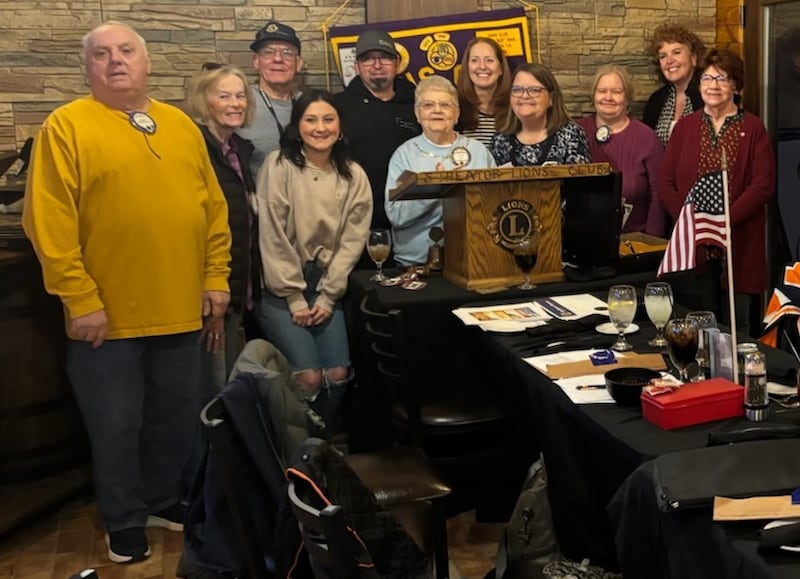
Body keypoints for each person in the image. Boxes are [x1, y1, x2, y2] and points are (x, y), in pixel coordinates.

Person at [21, 21, 231, 563]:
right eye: (102, 54)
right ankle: (123, 518)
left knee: (175, 417)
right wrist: (79, 297)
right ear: (88, 67)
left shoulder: (181, 124)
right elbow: (48, 221)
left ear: (146, 61)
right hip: (106, 316)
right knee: (115, 424)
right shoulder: (66, 125)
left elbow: (212, 209)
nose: (116, 61)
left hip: (182, 308)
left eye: (126, 51)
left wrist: (215, 276)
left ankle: (162, 498)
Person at [254, 89, 372, 432]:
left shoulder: (353, 174)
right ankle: (293, 451)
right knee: (308, 377)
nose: (320, 127)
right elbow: (272, 235)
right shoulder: (279, 165)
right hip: (281, 286)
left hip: (325, 284)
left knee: (336, 374)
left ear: (340, 125)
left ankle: (317, 447)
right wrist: (292, 297)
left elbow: (353, 241)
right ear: (297, 125)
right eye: (311, 119)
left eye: (328, 119)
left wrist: (328, 295)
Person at [658, 49, 775, 335]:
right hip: (696, 245)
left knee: (740, 326)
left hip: (739, 242)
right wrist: (688, 222)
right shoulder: (685, 127)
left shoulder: (753, 127)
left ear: (735, 85)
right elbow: (665, 181)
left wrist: (723, 221)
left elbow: (763, 185)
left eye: (722, 78)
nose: (713, 85)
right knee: (702, 325)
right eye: (707, 78)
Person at [186, 64, 260, 393]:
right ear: (205, 101)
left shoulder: (237, 151)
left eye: (240, 95)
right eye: (224, 96)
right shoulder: (193, 149)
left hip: (233, 290)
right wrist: (210, 295)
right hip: (207, 296)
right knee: (209, 390)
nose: (235, 103)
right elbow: (193, 227)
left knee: (225, 383)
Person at [385, 75, 496, 266]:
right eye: (428, 105)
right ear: (417, 114)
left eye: (445, 105)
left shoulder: (478, 152)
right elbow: (396, 216)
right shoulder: (404, 155)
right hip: (414, 265)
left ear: (457, 113)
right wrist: (435, 188)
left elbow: (494, 207)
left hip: (473, 260)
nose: (437, 110)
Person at [333, 29, 420, 238]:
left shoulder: (418, 103)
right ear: (356, 66)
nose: (377, 65)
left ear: (397, 63)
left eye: (384, 58)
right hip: (355, 218)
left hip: (413, 217)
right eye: (368, 59)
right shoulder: (338, 106)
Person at [577, 64, 665, 237]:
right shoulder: (576, 132)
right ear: (594, 95)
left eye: (617, 92)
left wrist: (652, 243)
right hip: (583, 241)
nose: (608, 97)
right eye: (602, 91)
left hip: (635, 243)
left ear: (627, 98)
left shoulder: (646, 138)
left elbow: (658, 197)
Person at [490, 63, 590, 167]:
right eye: (517, 90)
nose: (524, 96)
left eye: (534, 90)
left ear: (551, 98)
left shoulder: (571, 136)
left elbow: (582, 182)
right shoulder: (500, 140)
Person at [237, 20, 303, 177]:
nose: (278, 59)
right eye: (268, 52)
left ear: (298, 63)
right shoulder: (239, 104)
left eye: (287, 52)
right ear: (256, 61)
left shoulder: (310, 105)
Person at [642, 23, 706, 146]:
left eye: (676, 52)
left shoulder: (708, 96)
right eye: (663, 56)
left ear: (693, 58)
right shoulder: (656, 100)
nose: (669, 61)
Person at [456, 36, 512, 147]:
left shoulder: (515, 108)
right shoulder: (455, 107)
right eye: (474, 60)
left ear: (500, 68)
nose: (482, 66)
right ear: (467, 67)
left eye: (489, 60)